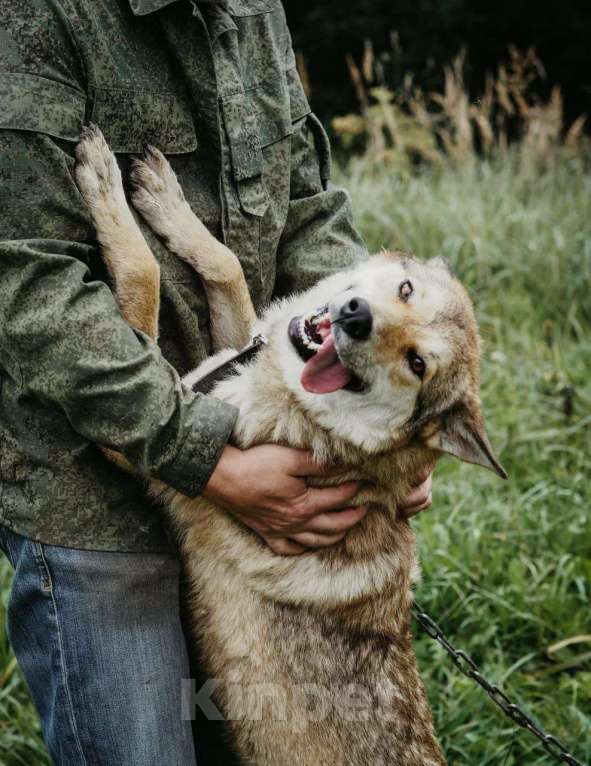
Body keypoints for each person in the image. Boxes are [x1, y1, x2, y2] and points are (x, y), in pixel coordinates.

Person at [0, 0, 433, 763]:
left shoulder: (253, 8)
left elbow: (306, 209)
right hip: (94, 509)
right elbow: (28, 284)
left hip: (267, 463)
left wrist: (379, 431)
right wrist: (215, 461)